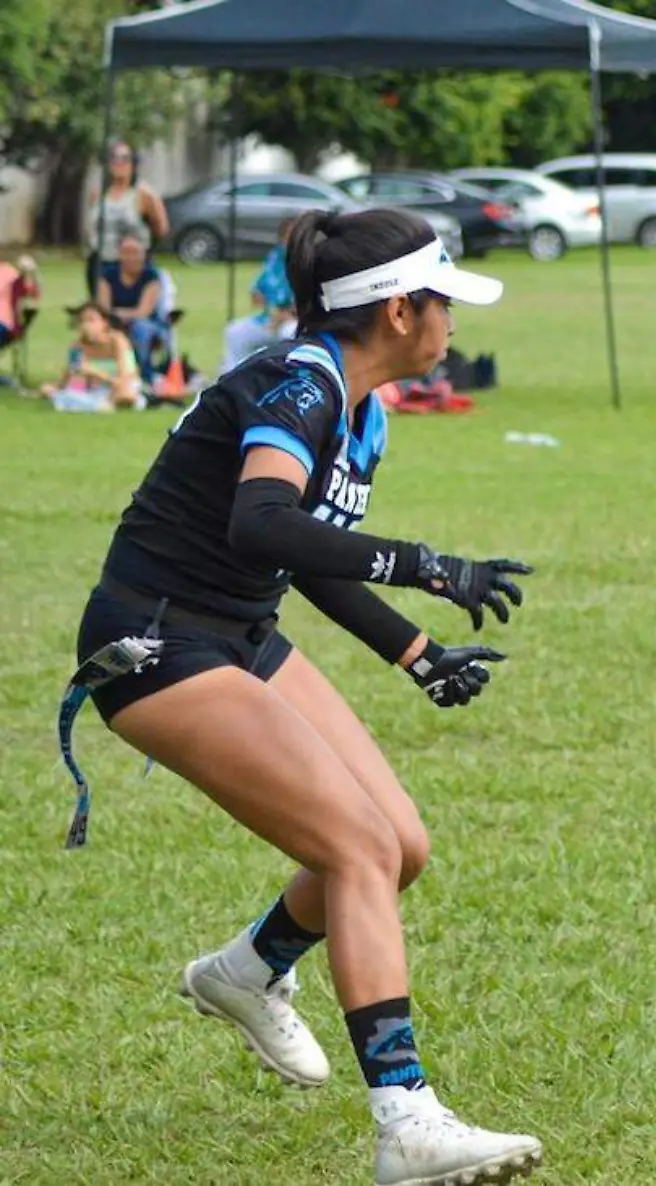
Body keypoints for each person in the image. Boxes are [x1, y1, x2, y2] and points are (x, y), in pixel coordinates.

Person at [65, 207, 543, 1185]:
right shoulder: (303, 381)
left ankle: (244, 970)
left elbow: (301, 551)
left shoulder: (358, 405)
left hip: (238, 631)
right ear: (400, 309)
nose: (452, 317)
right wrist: (424, 564)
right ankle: (405, 1119)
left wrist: (412, 650)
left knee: (399, 847)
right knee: (357, 845)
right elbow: (262, 522)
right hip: (156, 640)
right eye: (443, 298)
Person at [84, 140, 169, 298]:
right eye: (114, 158)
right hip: (100, 262)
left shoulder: (144, 194)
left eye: (124, 158)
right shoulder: (99, 193)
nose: (119, 163)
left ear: (133, 163)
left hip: (130, 267)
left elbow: (160, 229)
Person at [222, 217, 299, 374]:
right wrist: (261, 298)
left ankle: (288, 380)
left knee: (289, 333)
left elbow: (310, 301)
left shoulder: (309, 261)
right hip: (269, 319)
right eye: (286, 237)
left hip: (297, 322)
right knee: (235, 331)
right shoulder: (276, 257)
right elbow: (258, 292)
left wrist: (288, 314)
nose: (290, 242)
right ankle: (234, 378)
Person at [40, 302, 143, 412]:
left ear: (104, 323)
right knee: (56, 389)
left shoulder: (118, 341)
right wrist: (57, 384)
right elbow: (70, 377)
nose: (86, 325)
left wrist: (94, 372)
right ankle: (101, 404)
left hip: (119, 385)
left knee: (125, 394)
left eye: (91, 320)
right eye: (82, 321)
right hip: (91, 388)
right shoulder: (77, 346)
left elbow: (126, 375)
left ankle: (101, 404)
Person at [95, 233, 167, 383]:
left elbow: (143, 312)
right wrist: (117, 316)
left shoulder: (151, 276)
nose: (131, 257)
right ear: (119, 255)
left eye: (135, 253)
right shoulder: (108, 276)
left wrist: (119, 313)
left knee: (140, 327)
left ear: (143, 255)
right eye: (126, 253)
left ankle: (144, 374)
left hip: (149, 325)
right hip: (113, 323)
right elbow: (103, 309)